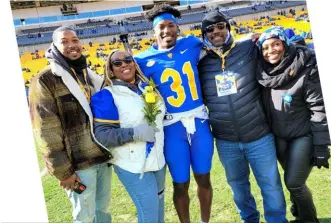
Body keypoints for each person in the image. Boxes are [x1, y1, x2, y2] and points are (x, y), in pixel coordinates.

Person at [197, 11, 288, 223]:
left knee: (271, 185)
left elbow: (279, 47)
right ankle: (250, 220)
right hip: (226, 140)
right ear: (204, 34)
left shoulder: (248, 48)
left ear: (228, 27)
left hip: (259, 135)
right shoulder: (200, 62)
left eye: (220, 26)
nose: (216, 31)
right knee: (238, 188)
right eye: (209, 29)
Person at [134, 4, 214, 223]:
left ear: (178, 28)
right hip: (171, 128)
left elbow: (221, 45)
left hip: (199, 123)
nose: (166, 30)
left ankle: (205, 221)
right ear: (154, 31)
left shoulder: (192, 44)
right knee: (180, 183)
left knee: (204, 178)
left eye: (171, 25)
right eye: (161, 26)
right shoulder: (141, 60)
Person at [29, 26, 113, 223]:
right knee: (84, 217)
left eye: (74, 40)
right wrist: (63, 172)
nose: (71, 45)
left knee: (103, 211)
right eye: (64, 41)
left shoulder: (86, 74)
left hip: (101, 157)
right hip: (78, 165)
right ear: (55, 46)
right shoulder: (46, 79)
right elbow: (46, 132)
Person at [257, 27, 331, 223]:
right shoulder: (263, 73)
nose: (270, 50)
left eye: (275, 44)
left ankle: (309, 220)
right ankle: (300, 214)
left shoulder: (306, 68)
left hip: (303, 136)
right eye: (265, 47)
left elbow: (318, 109)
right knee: (291, 182)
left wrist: (321, 146)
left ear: (285, 44)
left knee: (294, 183)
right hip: (280, 136)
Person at [90, 50, 166, 223]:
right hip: (132, 164)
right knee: (150, 214)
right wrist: (135, 133)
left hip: (158, 159)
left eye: (127, 60)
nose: (124, 64)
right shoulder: (106, 95)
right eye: (117, 63)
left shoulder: (147, 87)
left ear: (134, 62)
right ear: (110, 69)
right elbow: (102, 136)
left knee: (159, 210)